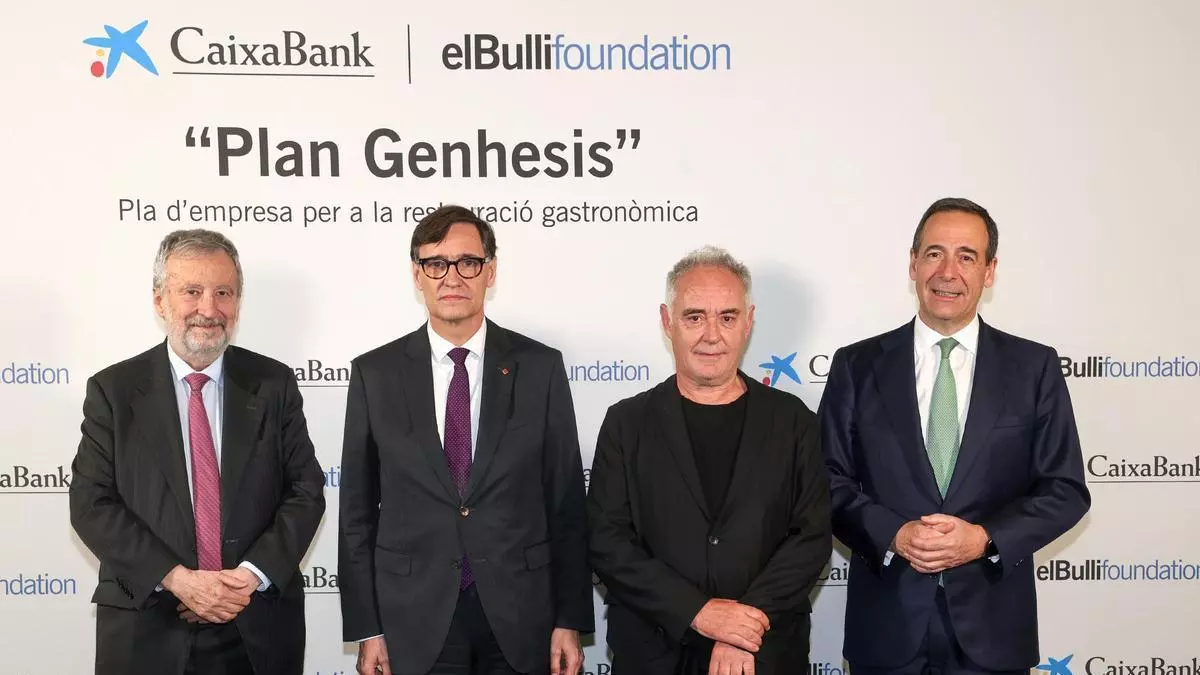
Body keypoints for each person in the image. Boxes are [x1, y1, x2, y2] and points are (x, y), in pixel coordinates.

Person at [819, 197, 1091, 674]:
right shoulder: (856, 366)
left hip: (994, 630)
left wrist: (984, 539)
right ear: (913, 263)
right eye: (934, 254)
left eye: (967, 256)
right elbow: (825, 481)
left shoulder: (1033, 367)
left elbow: (1065, 490)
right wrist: (895, 534)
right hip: (886, 629)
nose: (948, 272)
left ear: (990, 271)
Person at [338, 205, 594, 675]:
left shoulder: (540, 368)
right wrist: (366, 627)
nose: (452, 277)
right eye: (436, 263)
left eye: (468, 262)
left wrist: (569, 618)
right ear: (417, 275)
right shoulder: (375, 374)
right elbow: (356, 514)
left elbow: (566, 504)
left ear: (490, 272)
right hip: (413, 619)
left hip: (523, 615)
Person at [69, 229, 327, 675]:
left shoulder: (274, 384)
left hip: (255, 625)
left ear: (238, 302)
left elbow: (305, 490)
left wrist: (247, 578)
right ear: (160, 301)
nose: (209, 309)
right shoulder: (113, 391)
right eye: (192, 291)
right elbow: (91, 504)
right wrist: (178, 579)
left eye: (223, 292)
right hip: (146, 626)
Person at [586, 246, 831, 675]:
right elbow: (607, 541)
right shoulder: (627, 423)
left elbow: (810, 539)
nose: (711, 335)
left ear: (748, 322)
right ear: (668, 321)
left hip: (765, 653)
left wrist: (742, 627)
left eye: (728, 318)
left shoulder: (793, 420)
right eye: (695, 317)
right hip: (654, 654)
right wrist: (698, 612)